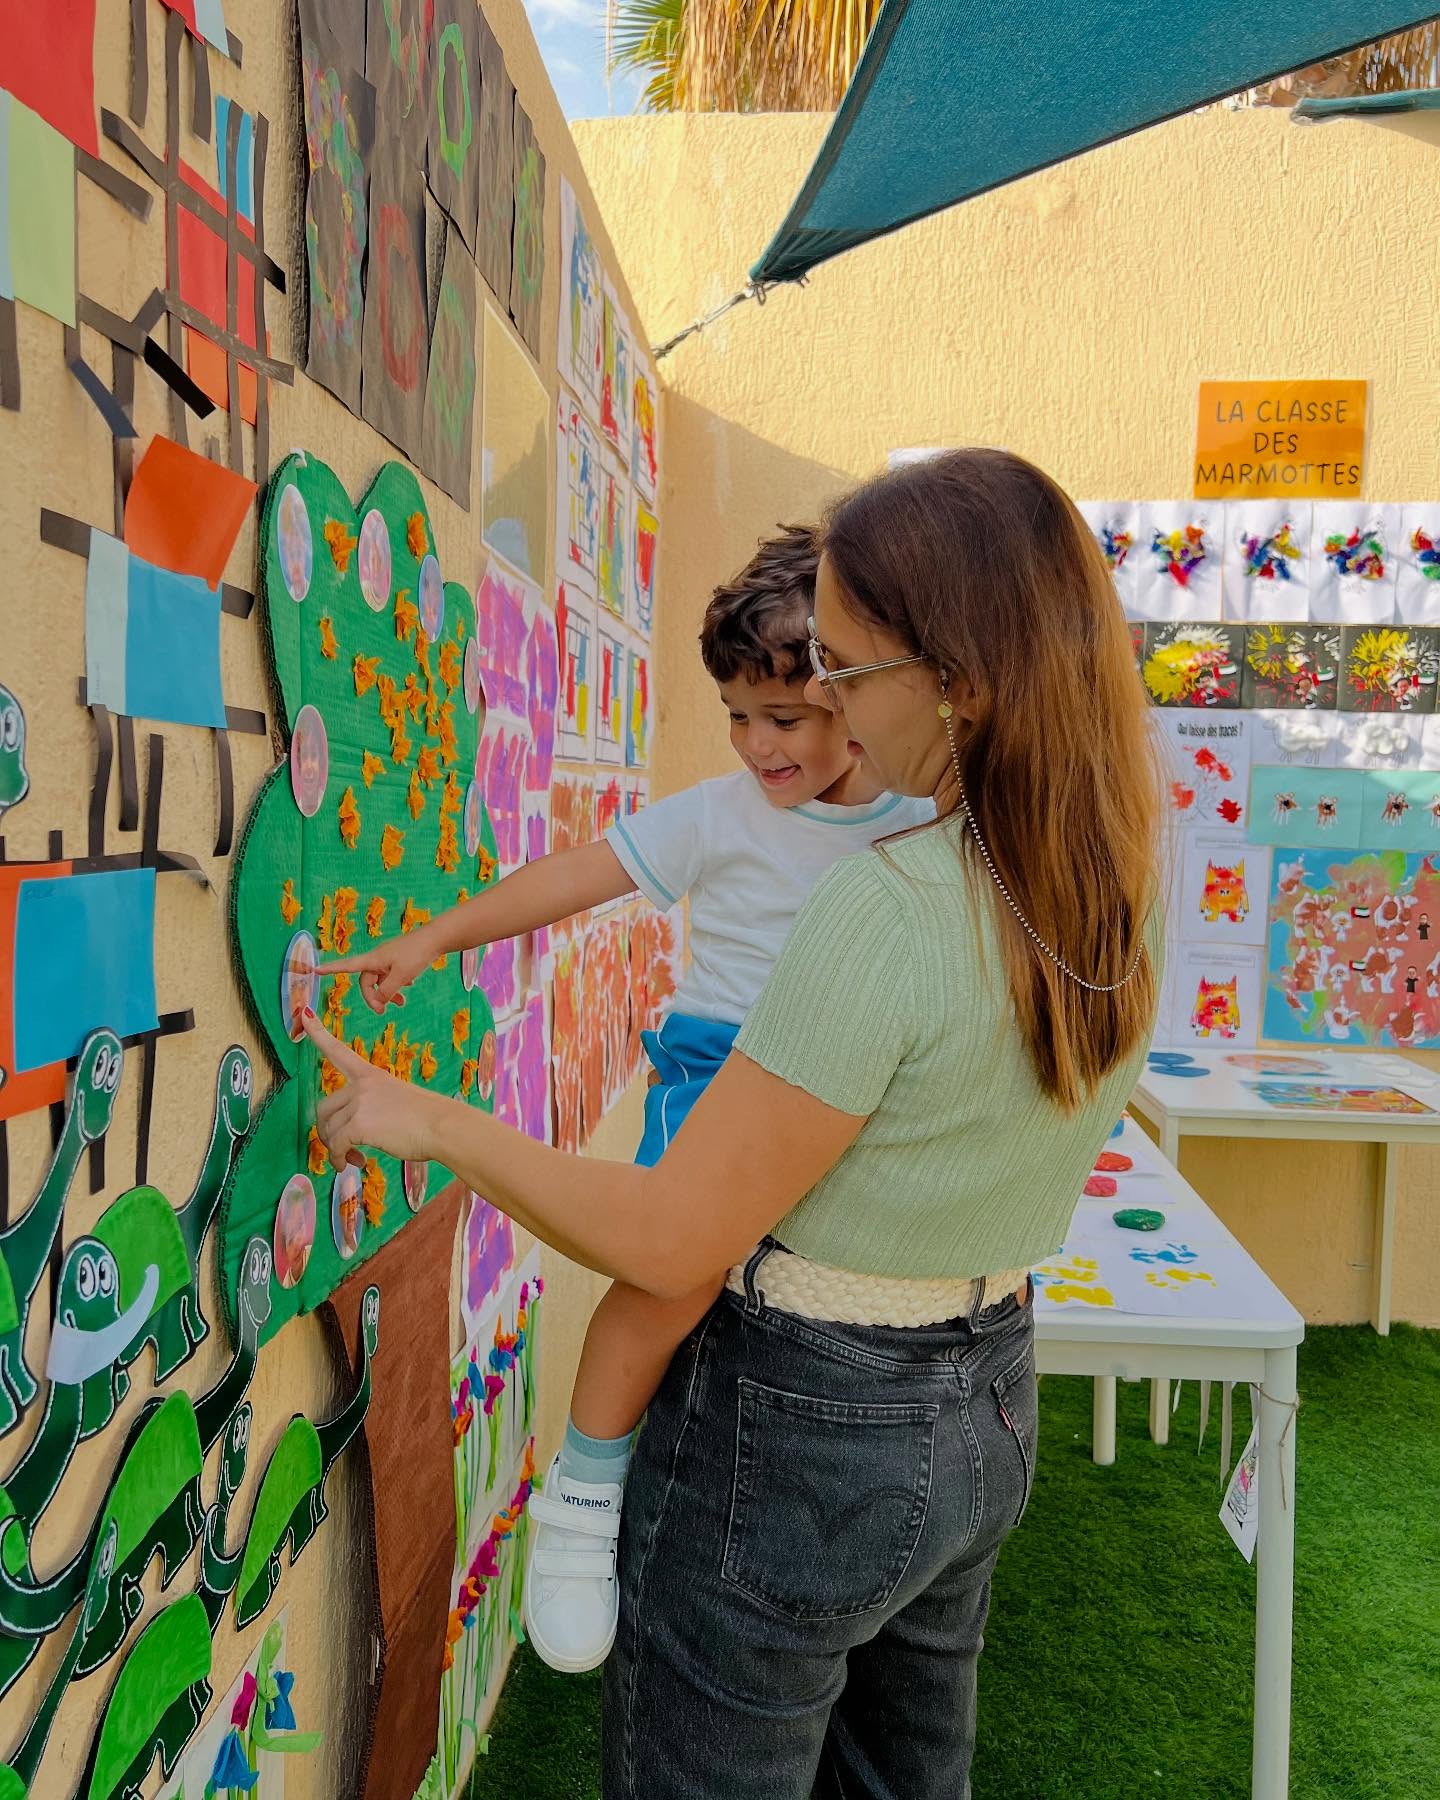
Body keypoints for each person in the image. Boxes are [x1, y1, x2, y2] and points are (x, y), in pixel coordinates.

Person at [306, 448, 1163, 1799]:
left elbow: (666, 1235)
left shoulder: (885, 907)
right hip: (987, 1395)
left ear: (958, 680)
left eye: (847, 671)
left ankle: (575, 1506)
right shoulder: (1114, 878)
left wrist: (436, 1123)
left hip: (811, 1420)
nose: (822, 711)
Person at [323, 523, 932, 1673]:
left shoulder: (921, 819)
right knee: (671, 1272)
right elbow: (577, 876)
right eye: (738, 717)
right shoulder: (723, 813)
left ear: (863, 696)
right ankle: (583, 1500)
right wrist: (440, 935)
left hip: (854, 1080)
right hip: (717, 1069)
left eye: (785, 717)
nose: (758, 745)